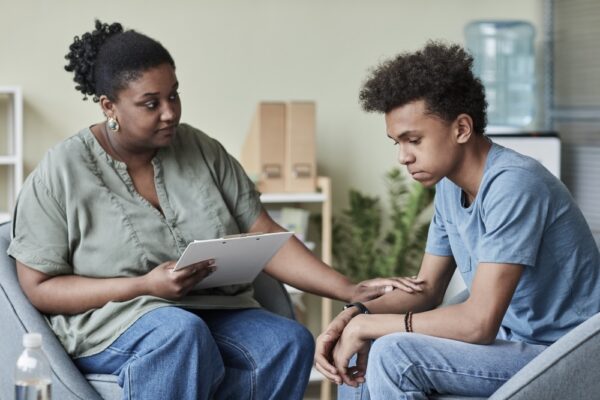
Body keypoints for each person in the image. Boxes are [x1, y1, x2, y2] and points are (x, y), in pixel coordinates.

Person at [7, 21, 423, 400]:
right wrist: (142, 286)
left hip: (209, 311)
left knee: (289, 340)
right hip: (111, 324)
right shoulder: (61, 171)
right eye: (151, 104)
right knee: (180, 334)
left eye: (174, 95)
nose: (170, 112)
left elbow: (265, 234)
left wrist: (347, 289)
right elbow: (39, 286)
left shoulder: (201, 149)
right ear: (108, 106)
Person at [314, 41, 600, 399]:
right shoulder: (451, 188)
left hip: (566, 355)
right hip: (511, 344)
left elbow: (478, 323)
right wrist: (354, 316)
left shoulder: (514, 184)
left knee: (392, 354)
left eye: (413, 140)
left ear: (462, 128)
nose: (403, 157)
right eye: (396, 143)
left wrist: (374, 326)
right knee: (366, 349)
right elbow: (427, 290)